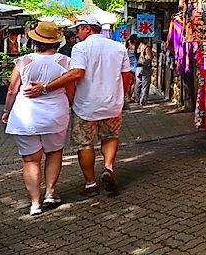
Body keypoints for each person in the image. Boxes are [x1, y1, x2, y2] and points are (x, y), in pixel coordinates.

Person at [24, 14, 131, 197]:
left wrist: (51, 90)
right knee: (110, 136)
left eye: (79, 30)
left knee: (85, 144)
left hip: (86, 106)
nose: (77, 34)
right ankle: (108, 168)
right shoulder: (118, 47)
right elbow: (127, 75)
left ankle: (90, 184)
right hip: (112, 104)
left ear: (87, 28)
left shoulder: (80, 48)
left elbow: (76, 74)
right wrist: (122, 96)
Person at [2, 20, 72, 216]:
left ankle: (35, 203)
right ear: (56, 42)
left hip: (25, 116)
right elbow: (71, 88)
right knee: (54, 152)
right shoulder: (66, 62)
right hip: (55, 114)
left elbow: (11, 90)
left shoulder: (23, 62)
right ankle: (50, 192)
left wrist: (7, 111)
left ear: (35, 41)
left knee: (31, 160)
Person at [134, 38, 153, 106]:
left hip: (138, 68)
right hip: (145, 68)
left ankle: (137, 99)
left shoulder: (136, 48)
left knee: (138, 84)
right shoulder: (146, 47)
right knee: (145, 84)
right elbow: (149, 57)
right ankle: (143, 100)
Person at [125, 35, 138, 103]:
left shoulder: (126, 50)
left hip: (129, 66)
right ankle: (130, 96)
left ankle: (129, 96)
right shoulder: (135, 48)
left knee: (130, 82)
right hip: (135, 66)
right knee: (133, 82)